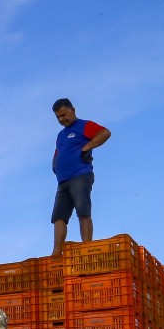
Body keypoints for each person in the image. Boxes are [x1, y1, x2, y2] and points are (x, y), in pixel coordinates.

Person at [50, 98, 111, 257]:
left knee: (82, 211)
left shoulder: (83, 125)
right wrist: (55, 164)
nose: (62, 119)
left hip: (80, 175)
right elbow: (59, 152)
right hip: (63, 181)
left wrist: (86, 148)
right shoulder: (61, 135)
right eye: (58, 117)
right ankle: (56, 254)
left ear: (73, 110)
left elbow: (105, 133)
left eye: (64, 114)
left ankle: (87, 248)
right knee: (58, 217)